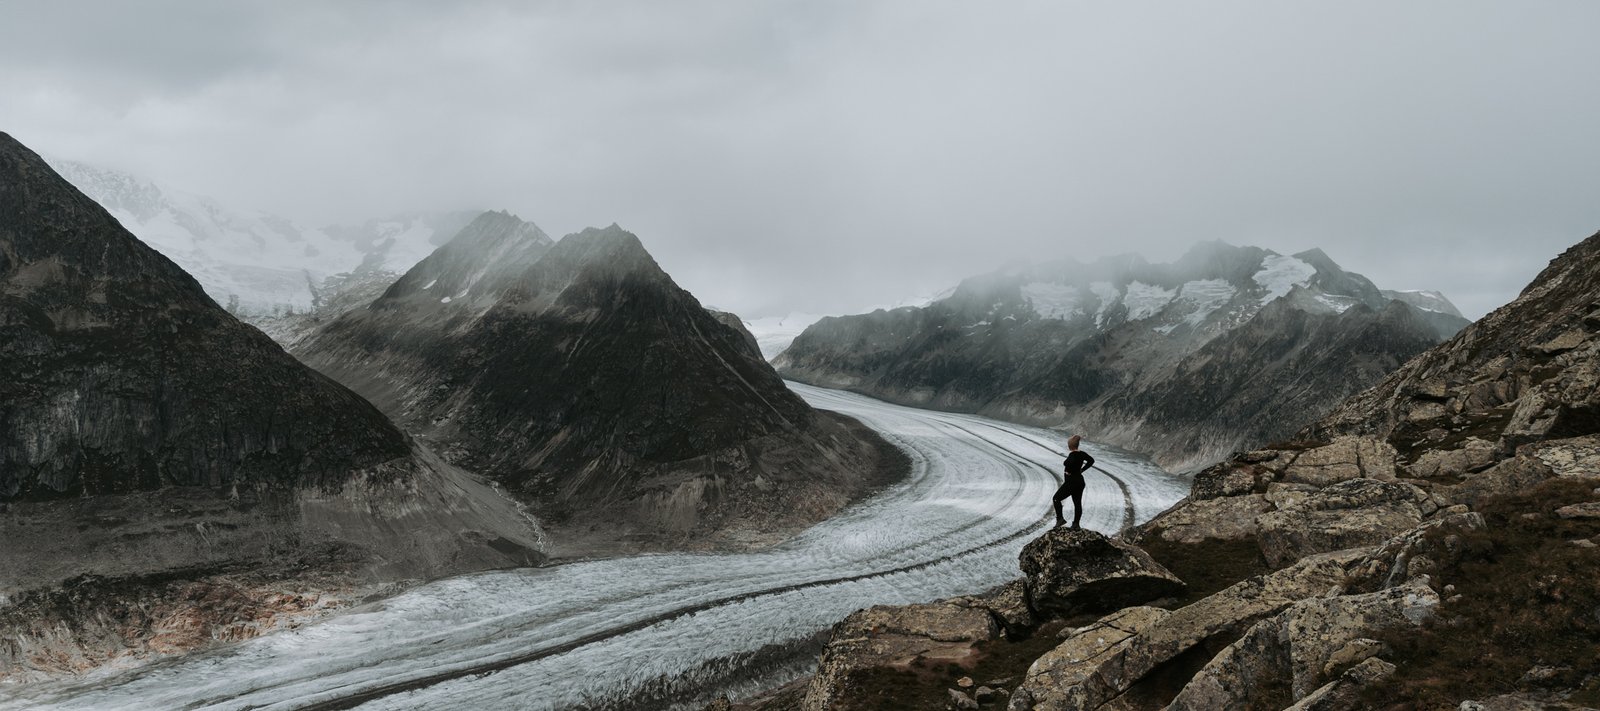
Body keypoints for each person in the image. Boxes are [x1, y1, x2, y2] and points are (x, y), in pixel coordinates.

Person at [1053, 435, 1095, 529]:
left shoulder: (1072, 455)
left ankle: (1060, 519)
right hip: (1080, 482)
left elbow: (1067, 463)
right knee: (1077, 503)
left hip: (1071, 482)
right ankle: (1076, 524)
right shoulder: (1082, 453)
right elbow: (1091, 461)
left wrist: (1069, 471)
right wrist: (1082, 470)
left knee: (1056, 498)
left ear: (1069, 446)